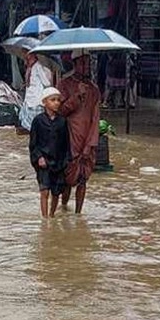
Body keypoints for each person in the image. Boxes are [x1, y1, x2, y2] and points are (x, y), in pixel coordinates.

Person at [57, 51, 102, 214]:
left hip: (87, 139)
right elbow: (60, 111)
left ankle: (78, 215)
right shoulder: (63, 85)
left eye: (88, 63)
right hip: (69, 138)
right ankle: (63, 208)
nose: (87, 66)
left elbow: (95, 119)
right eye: (83, 63)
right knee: (67, 180)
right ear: (75, 64)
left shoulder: (94, 89)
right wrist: (77, 96)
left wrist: (91, 144)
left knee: (83, 179)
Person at [29, 87, 71, 218]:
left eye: (58, 100)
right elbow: (33, 143)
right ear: (44, 102)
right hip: (43, 162)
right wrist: (39, 157)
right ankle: (45, 218)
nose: (56, 103)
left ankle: (52, 215)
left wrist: (67, 161)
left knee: (56, 192)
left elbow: (66, 143)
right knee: (44, 190)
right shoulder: (38, 121)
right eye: (53, 100)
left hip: (59, 161)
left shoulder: (62, 121)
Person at [19, 51, 54, 132]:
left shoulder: (38, 66)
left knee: (38, 125)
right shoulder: (29, 67)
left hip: (36, 99)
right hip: (29, 99)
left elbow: (46, 82)